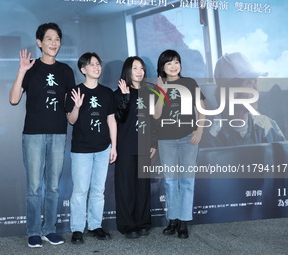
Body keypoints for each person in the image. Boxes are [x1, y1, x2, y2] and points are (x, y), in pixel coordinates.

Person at [9, 23, 75, 248]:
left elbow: (69, 109)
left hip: (58, 134)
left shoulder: (66, 71)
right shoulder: (31, 68)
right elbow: (14, 99)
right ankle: (34, 231)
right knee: (35, 186)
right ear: (39, 43)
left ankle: (49, 230)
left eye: (57, 39)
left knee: (54, 186)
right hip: (34, 134)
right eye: (49, 39)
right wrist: (21, 71)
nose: (54, 43)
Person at [65, 52, 117, 244]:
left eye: (98, 64)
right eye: (92, 64)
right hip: (82, 150)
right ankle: (77, 229)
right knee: (79, 190)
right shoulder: (76, 92)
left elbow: (111, 120)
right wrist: (77, 106)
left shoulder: (107, 93)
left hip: (103, 148)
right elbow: (71, 120)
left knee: (98, 190)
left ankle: (95, 225)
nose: (96, 67)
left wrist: (114, 147)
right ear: (83, 69)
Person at [153, 49, 206, 239]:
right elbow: (157, 115)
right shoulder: (158, 86)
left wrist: (199, 130)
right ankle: (172, 219)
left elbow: (201, 107)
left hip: (187, 138)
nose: (174, 66)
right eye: (169, 63)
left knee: (186, 181)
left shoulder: (189, 82)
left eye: (176, 62)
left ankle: (183, 221)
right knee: (169, 181)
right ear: (162, 67)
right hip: (166, 140)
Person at [200, 52, 285, 147]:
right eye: (248, 83)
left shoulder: (268, 127)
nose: (256, 90)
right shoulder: (211, 133)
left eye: (255, 82)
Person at [114, 56, 157, 239]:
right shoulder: (118, 93)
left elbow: (154, 120)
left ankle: (143, 222)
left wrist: (154, 143)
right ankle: (127, 225)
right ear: (127, 71)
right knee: (126, 188)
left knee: (143, 187)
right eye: (135, 68)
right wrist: (124, 97)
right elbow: (119, 118)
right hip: (125, 146)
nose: (139, 71)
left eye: (142, 68)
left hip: (144, 146)